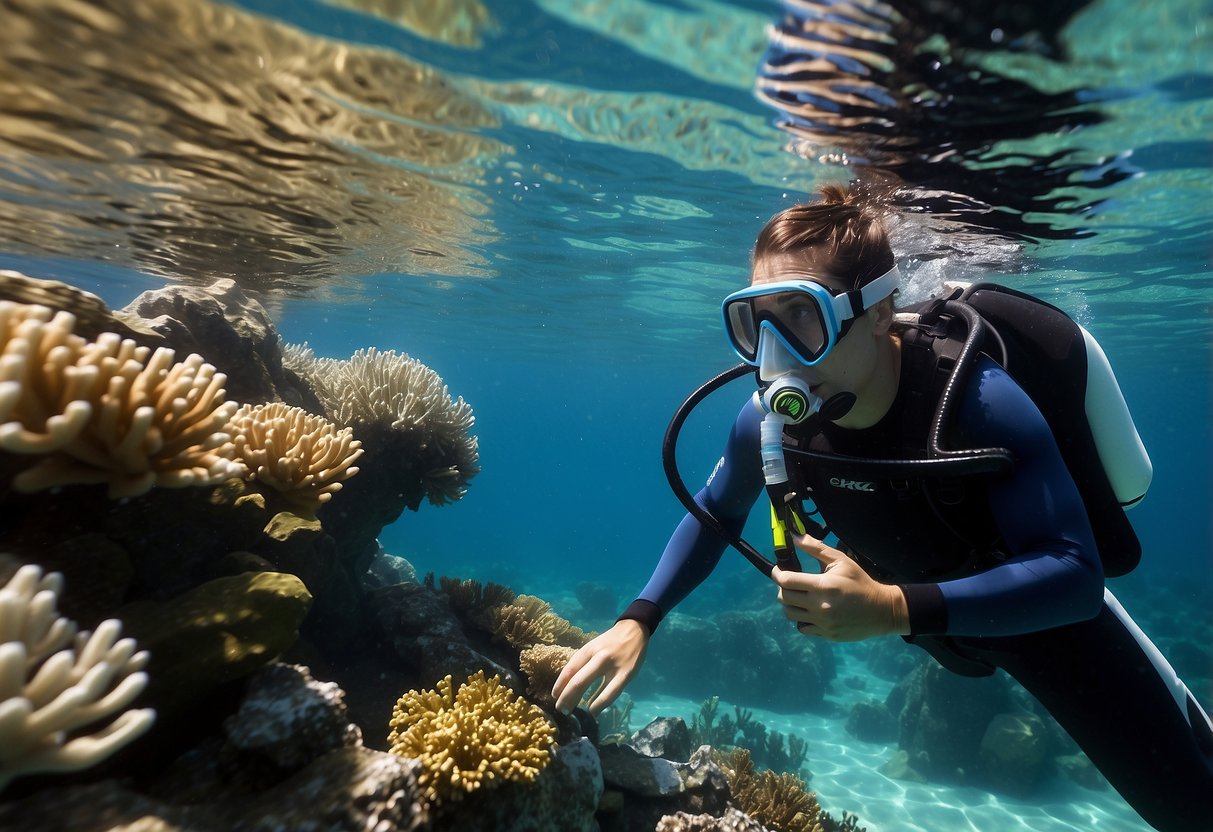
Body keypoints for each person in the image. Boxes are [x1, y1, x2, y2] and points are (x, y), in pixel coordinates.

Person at [552, 183, 1213, 831]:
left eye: (801, 318)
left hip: (1048, 630)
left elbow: (1074, 577)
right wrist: (639, 618)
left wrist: (892, 608)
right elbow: (717, 509)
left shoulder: (975, 403)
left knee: (1189, 806)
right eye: (755, 323)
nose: (774, 356)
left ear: (875, 310)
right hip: (933, 629)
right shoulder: (768, 418)